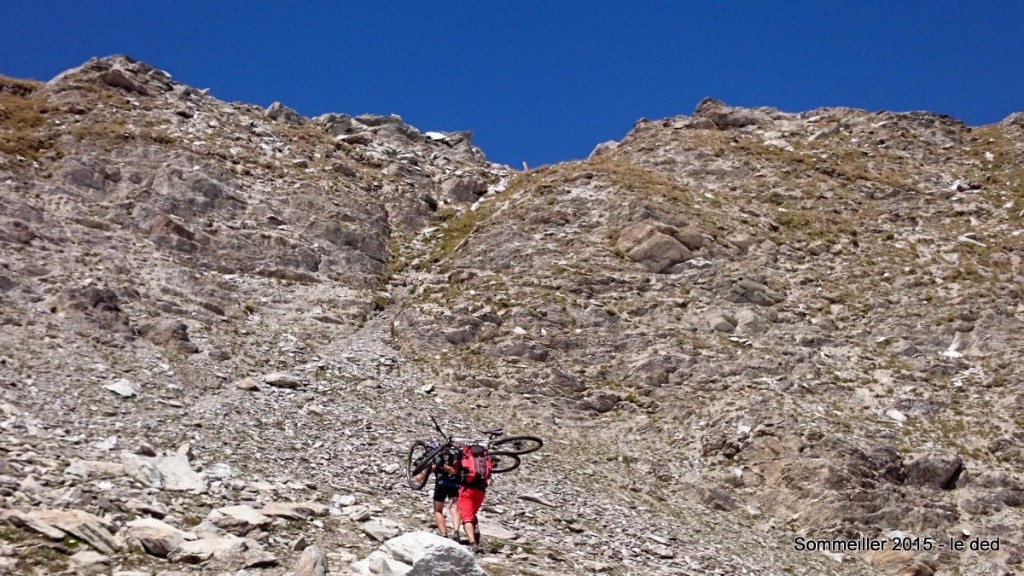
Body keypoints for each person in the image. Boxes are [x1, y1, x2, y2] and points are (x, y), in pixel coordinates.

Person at [416, 441, 462, 539]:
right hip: (455, 485)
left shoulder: (437, 458)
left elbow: (429, 470)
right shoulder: (456, 456)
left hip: (441, 485)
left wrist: (421, 476)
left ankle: (444, 534)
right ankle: (456, 532)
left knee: (438, 510)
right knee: (454, 508)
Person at [457, 443, 491, 551]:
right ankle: (475, 527)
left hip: (467, 490)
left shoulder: (464, 456)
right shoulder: (483, 458)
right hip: (481, 491)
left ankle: (472, 543)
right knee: (472, 513)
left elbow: (456, 470)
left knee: (466, 516)